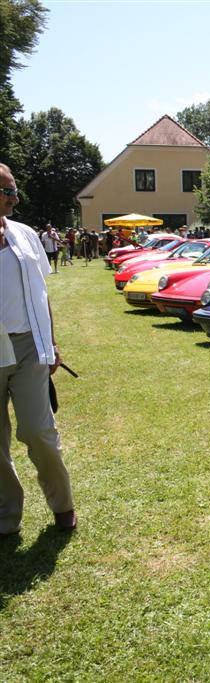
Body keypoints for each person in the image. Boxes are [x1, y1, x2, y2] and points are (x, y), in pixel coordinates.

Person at [0, 163, 76, 535]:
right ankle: (6, 517)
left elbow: (41, 294)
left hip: (28, 345)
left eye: (14, 189)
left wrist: (52, 342)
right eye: (7, 191)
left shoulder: (26, 235)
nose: (15, 197)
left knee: (38, 430)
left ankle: (63, 505)